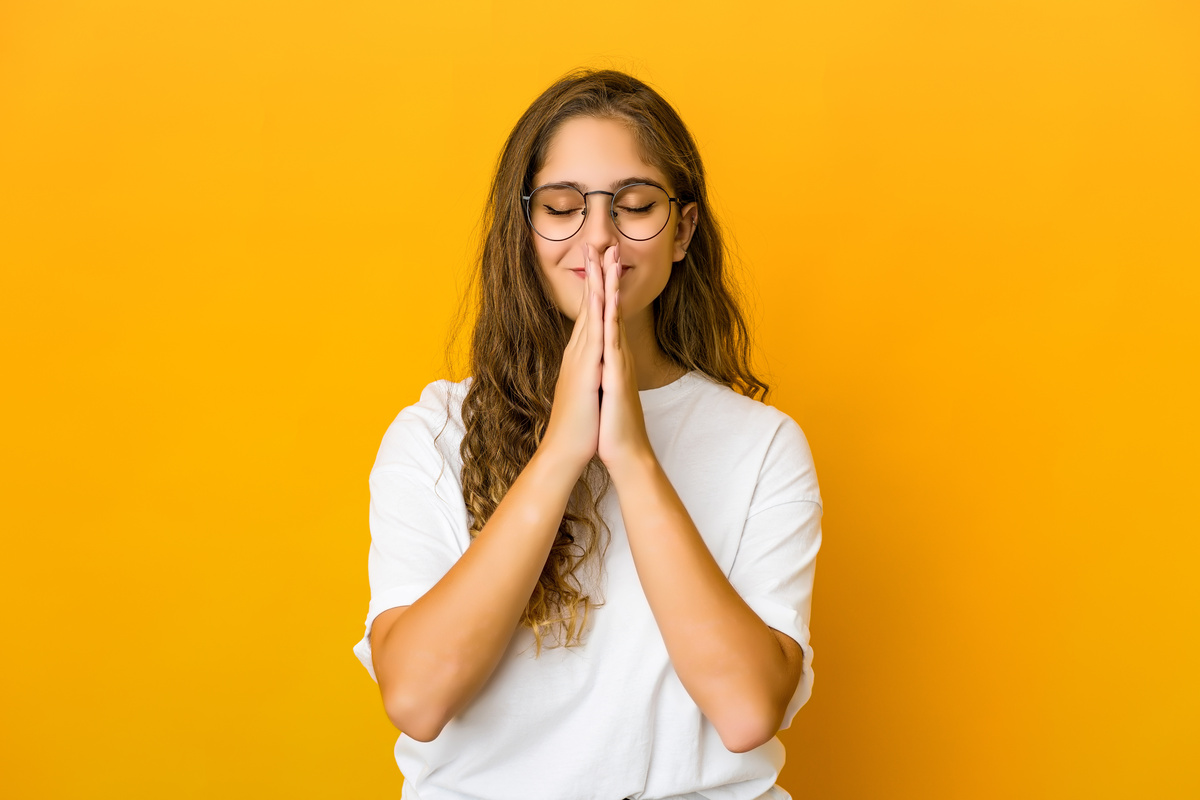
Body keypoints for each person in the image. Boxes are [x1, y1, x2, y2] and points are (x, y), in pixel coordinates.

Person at [352, 68, 823, 800]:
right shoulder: (433, 433)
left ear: (682, 232)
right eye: (564, 207)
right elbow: (416, 698)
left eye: (634, 206)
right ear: (525, 225)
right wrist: (561, 452)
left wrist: (631, 456)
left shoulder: (763, 445)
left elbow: (745, 711)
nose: (598, 237)